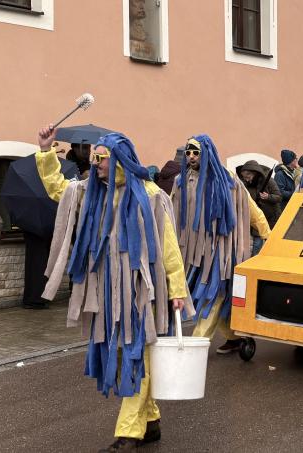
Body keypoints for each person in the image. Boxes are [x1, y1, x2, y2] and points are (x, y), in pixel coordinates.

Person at [35, 124, 189, 452]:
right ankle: (151, 421)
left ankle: (128, 432)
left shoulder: (152, 195)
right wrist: (47, 152)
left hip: (142, 292)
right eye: (94, 157)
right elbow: (59, 190)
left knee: (137, 355)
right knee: (121, 356)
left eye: (101, 158)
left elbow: (169, 247)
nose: (95, 164)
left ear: (120, 158)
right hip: (106, 292)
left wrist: (177, 289)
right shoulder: (91, 191)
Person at [172, 137, 271, 353]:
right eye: (188, 153)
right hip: (194, 252)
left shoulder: (227, 179)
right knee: (210, 295)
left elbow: (250, 208)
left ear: (206, 153)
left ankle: (195, 347)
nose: (191, 157)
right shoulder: (181, 181)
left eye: (196, 153)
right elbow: (172, 211)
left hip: (222, 250)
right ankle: (234, 337)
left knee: (214, 293)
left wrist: (267, 235)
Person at [237, 160, 282, 255]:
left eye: (248, 177)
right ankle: (255, 261)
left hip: (271, 218)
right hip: (257, 218)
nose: (246, 180)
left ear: (254, 173)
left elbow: (278, 197)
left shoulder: (269, 181)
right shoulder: (246, 184)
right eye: (244, 178)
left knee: (271, 243)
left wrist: (268, 197)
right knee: (257, 244)